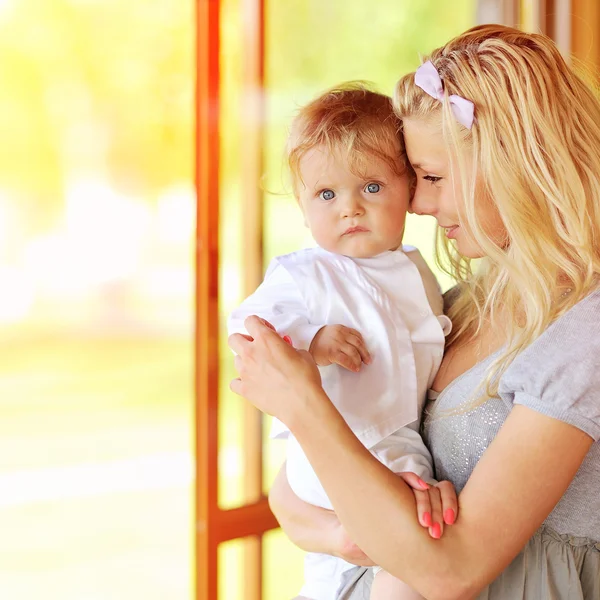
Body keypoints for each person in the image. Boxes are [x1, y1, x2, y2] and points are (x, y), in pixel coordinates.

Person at [228, 24, 600, 600]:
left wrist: (301, 401)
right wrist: (347, 534)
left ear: (514, 163)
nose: (419, 204)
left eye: (432, 178)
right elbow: (293, 493)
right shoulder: (458, 308)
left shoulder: (585, 330)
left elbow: (453, 570)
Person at [228, 84, 455, 600]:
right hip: (342, 442)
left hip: (395, 439)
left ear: (409, 188)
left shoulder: (415, 271)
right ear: (305, 209)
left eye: (371, 187)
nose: (349, 209)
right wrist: (311, 340)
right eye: (327, 195)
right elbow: (247, 332)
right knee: (415, 540)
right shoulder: (305, 274)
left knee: (357, 570)